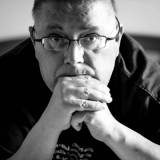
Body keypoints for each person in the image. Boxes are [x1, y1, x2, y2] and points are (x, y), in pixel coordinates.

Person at [0, 0, 160, 159]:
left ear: (117, 39)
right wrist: (48, 126)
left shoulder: (150, 89)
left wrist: (114, 133)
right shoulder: (5, 81)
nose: (74, 58)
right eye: (56, 38)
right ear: (34, 41)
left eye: (91, 38)